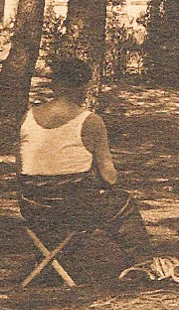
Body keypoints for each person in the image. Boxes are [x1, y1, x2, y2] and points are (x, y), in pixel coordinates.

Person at [18, 57, 153, 268]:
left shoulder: (28, 118)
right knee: (123, 204)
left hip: (34, 209)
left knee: (69, 201)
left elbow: (21, 167)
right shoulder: (89, 120)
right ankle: (145, 264)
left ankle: (49, 262)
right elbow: (110, 176)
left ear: (55, 85)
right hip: (75, 209)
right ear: (81, 87)